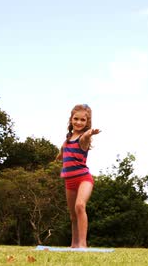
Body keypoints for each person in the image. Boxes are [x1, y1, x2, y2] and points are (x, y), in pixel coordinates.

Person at [55, 104, 101, 248]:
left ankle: (83, 244)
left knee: (80, 206)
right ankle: (74, 245)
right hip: (69, 180)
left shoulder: (83, 138)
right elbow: (63, 151)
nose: (79, 122)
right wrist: (59, 156)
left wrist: (90, 133)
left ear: (87, 122)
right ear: (71, 119)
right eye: (76, 119)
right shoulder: (68, 139)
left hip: (84, 179)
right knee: (73, 216)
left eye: (83, 120)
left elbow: (85, 137)